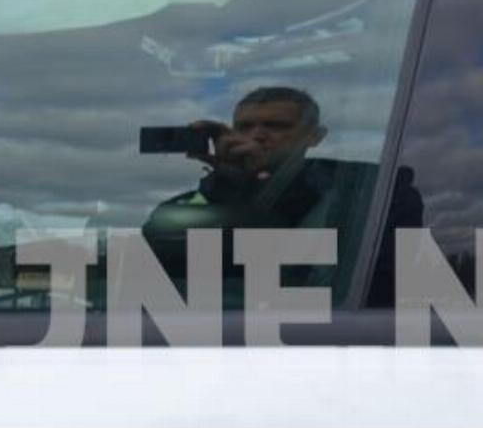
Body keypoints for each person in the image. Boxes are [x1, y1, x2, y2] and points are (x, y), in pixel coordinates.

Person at [142, 86, 419, 305]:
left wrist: (256, 186)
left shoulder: (372, 190)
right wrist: (227, 186)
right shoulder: (204, 197)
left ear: (315, 136)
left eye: (276, 126)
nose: (258, 135)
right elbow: (160, 270)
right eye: (244, 127)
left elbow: (382, 283)